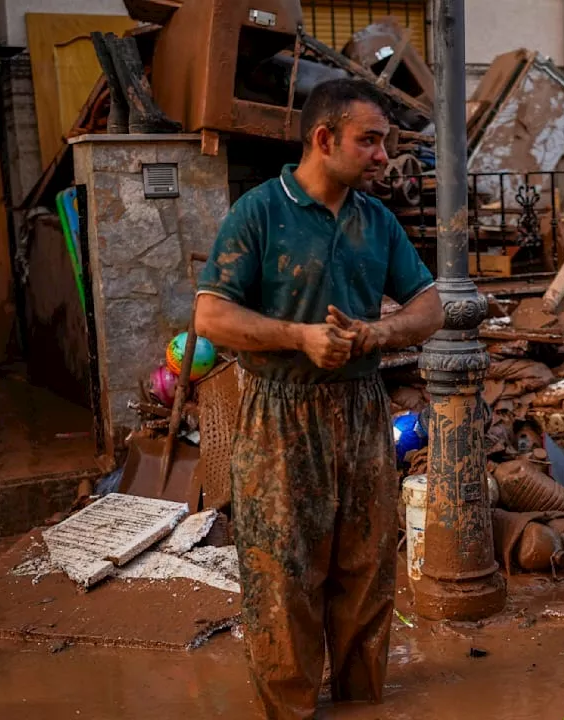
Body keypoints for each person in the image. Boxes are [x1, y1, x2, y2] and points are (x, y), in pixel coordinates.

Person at [194, 79, 443, 720]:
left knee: (365, 572)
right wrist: (298, 337)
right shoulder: (260, 212)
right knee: (282, 577)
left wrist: (379, 333)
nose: (383, 155)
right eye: (370, 141)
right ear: (324, 139)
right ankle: (292, 709)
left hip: (361, 409)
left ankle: (362, 703)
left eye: (384, 141)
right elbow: (211, 318)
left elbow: (431, 306)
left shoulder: (375, 220)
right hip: (280, 412)